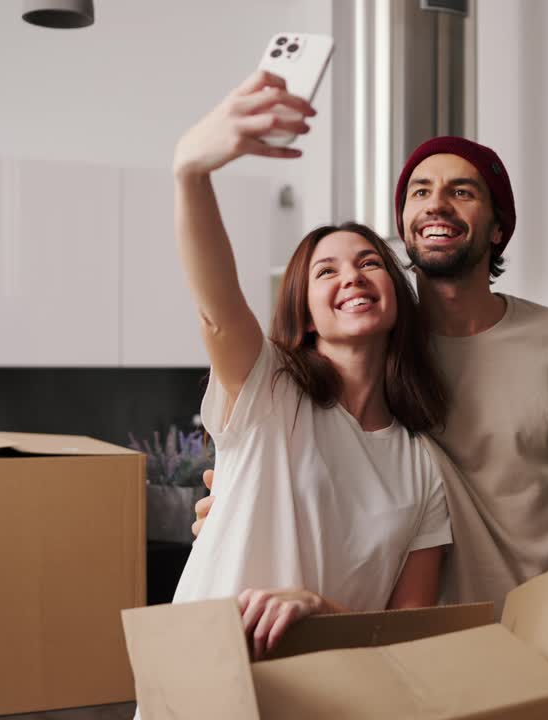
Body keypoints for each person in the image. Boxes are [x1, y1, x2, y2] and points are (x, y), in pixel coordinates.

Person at [195, 136, 548, 719]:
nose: (436, 204)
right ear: (406, 226)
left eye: (462, 191)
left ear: (497, 228)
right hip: (429, 672)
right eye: (420, 191)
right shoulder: (374, 345)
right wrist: (238, 495)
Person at [167, 70, 454, 664]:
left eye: (369, 262)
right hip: (204, 683)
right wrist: (190, 173)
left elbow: (412, 633)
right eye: (326, 271)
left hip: (330, 699)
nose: (351, 275)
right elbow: (218, 311)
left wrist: (322, 612)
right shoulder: (269, 392)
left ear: (397, 295)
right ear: (304, 312)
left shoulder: (421, 466)